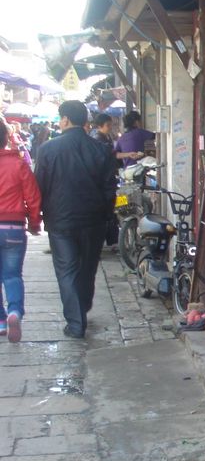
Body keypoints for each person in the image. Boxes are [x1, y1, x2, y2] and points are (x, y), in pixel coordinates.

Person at [34, 100, 118, 338]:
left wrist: (38, 216)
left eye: (61, 118)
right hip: (94, 220)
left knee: (66, 270)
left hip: (61, 220)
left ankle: (75, 322)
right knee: (87, 268)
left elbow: (40, 185)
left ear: (66, 120)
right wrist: (106, 215)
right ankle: (81, 308)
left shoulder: (48, 149)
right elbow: (110, 188)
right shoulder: (101, 149)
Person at [0, 122, 42, 343]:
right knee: (12, 275)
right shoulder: (18, 164)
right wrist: (35, 223)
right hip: (13, 229)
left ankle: (0, 321)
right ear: (7, 138)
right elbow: (32, 196)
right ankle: (15, 312)